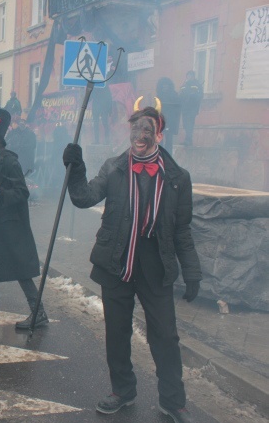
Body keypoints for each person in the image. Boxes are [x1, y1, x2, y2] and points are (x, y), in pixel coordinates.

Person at [62, 104, 201, 423]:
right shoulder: (114, 167)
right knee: (117, 332)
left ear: (159, 134)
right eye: (135, 128)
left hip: (156, 264)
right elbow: (84, 198)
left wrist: (192, 271)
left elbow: (182, 229)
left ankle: (173, 401)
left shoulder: (178, 177)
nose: (139, 135)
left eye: (147, 129)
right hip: (117, 262)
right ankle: (122, 391)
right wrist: (76, 167)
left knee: (165, 335)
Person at [0, 108, 48, 330]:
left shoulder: (9, 161)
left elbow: (22, 193)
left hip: (9, 223)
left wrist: (1, 193)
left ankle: (38, 312)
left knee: (20, 267)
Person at [156, 77, 181, 154]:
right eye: (163, 86)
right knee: (160, 139)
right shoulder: (159, 96)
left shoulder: (174, 95)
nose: (164, 87)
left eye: (166, 86)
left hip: (170, 121)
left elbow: (177, 109)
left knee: (169, 140)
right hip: (161, 121)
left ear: (169, 86)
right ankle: (160, 154)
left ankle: (169, 155)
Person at [179, 71, 203, 146]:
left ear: (193, 76)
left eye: (190, 76)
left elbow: (200, 96)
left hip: (192, 108)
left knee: (190, 124)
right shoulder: (184, 85)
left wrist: (194, 96)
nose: (189, 77)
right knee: (185, 124)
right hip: (185, 108)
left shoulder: (197, 85)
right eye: (188, 76)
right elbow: (180, 95)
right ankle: (188, 139)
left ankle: (188, 140)